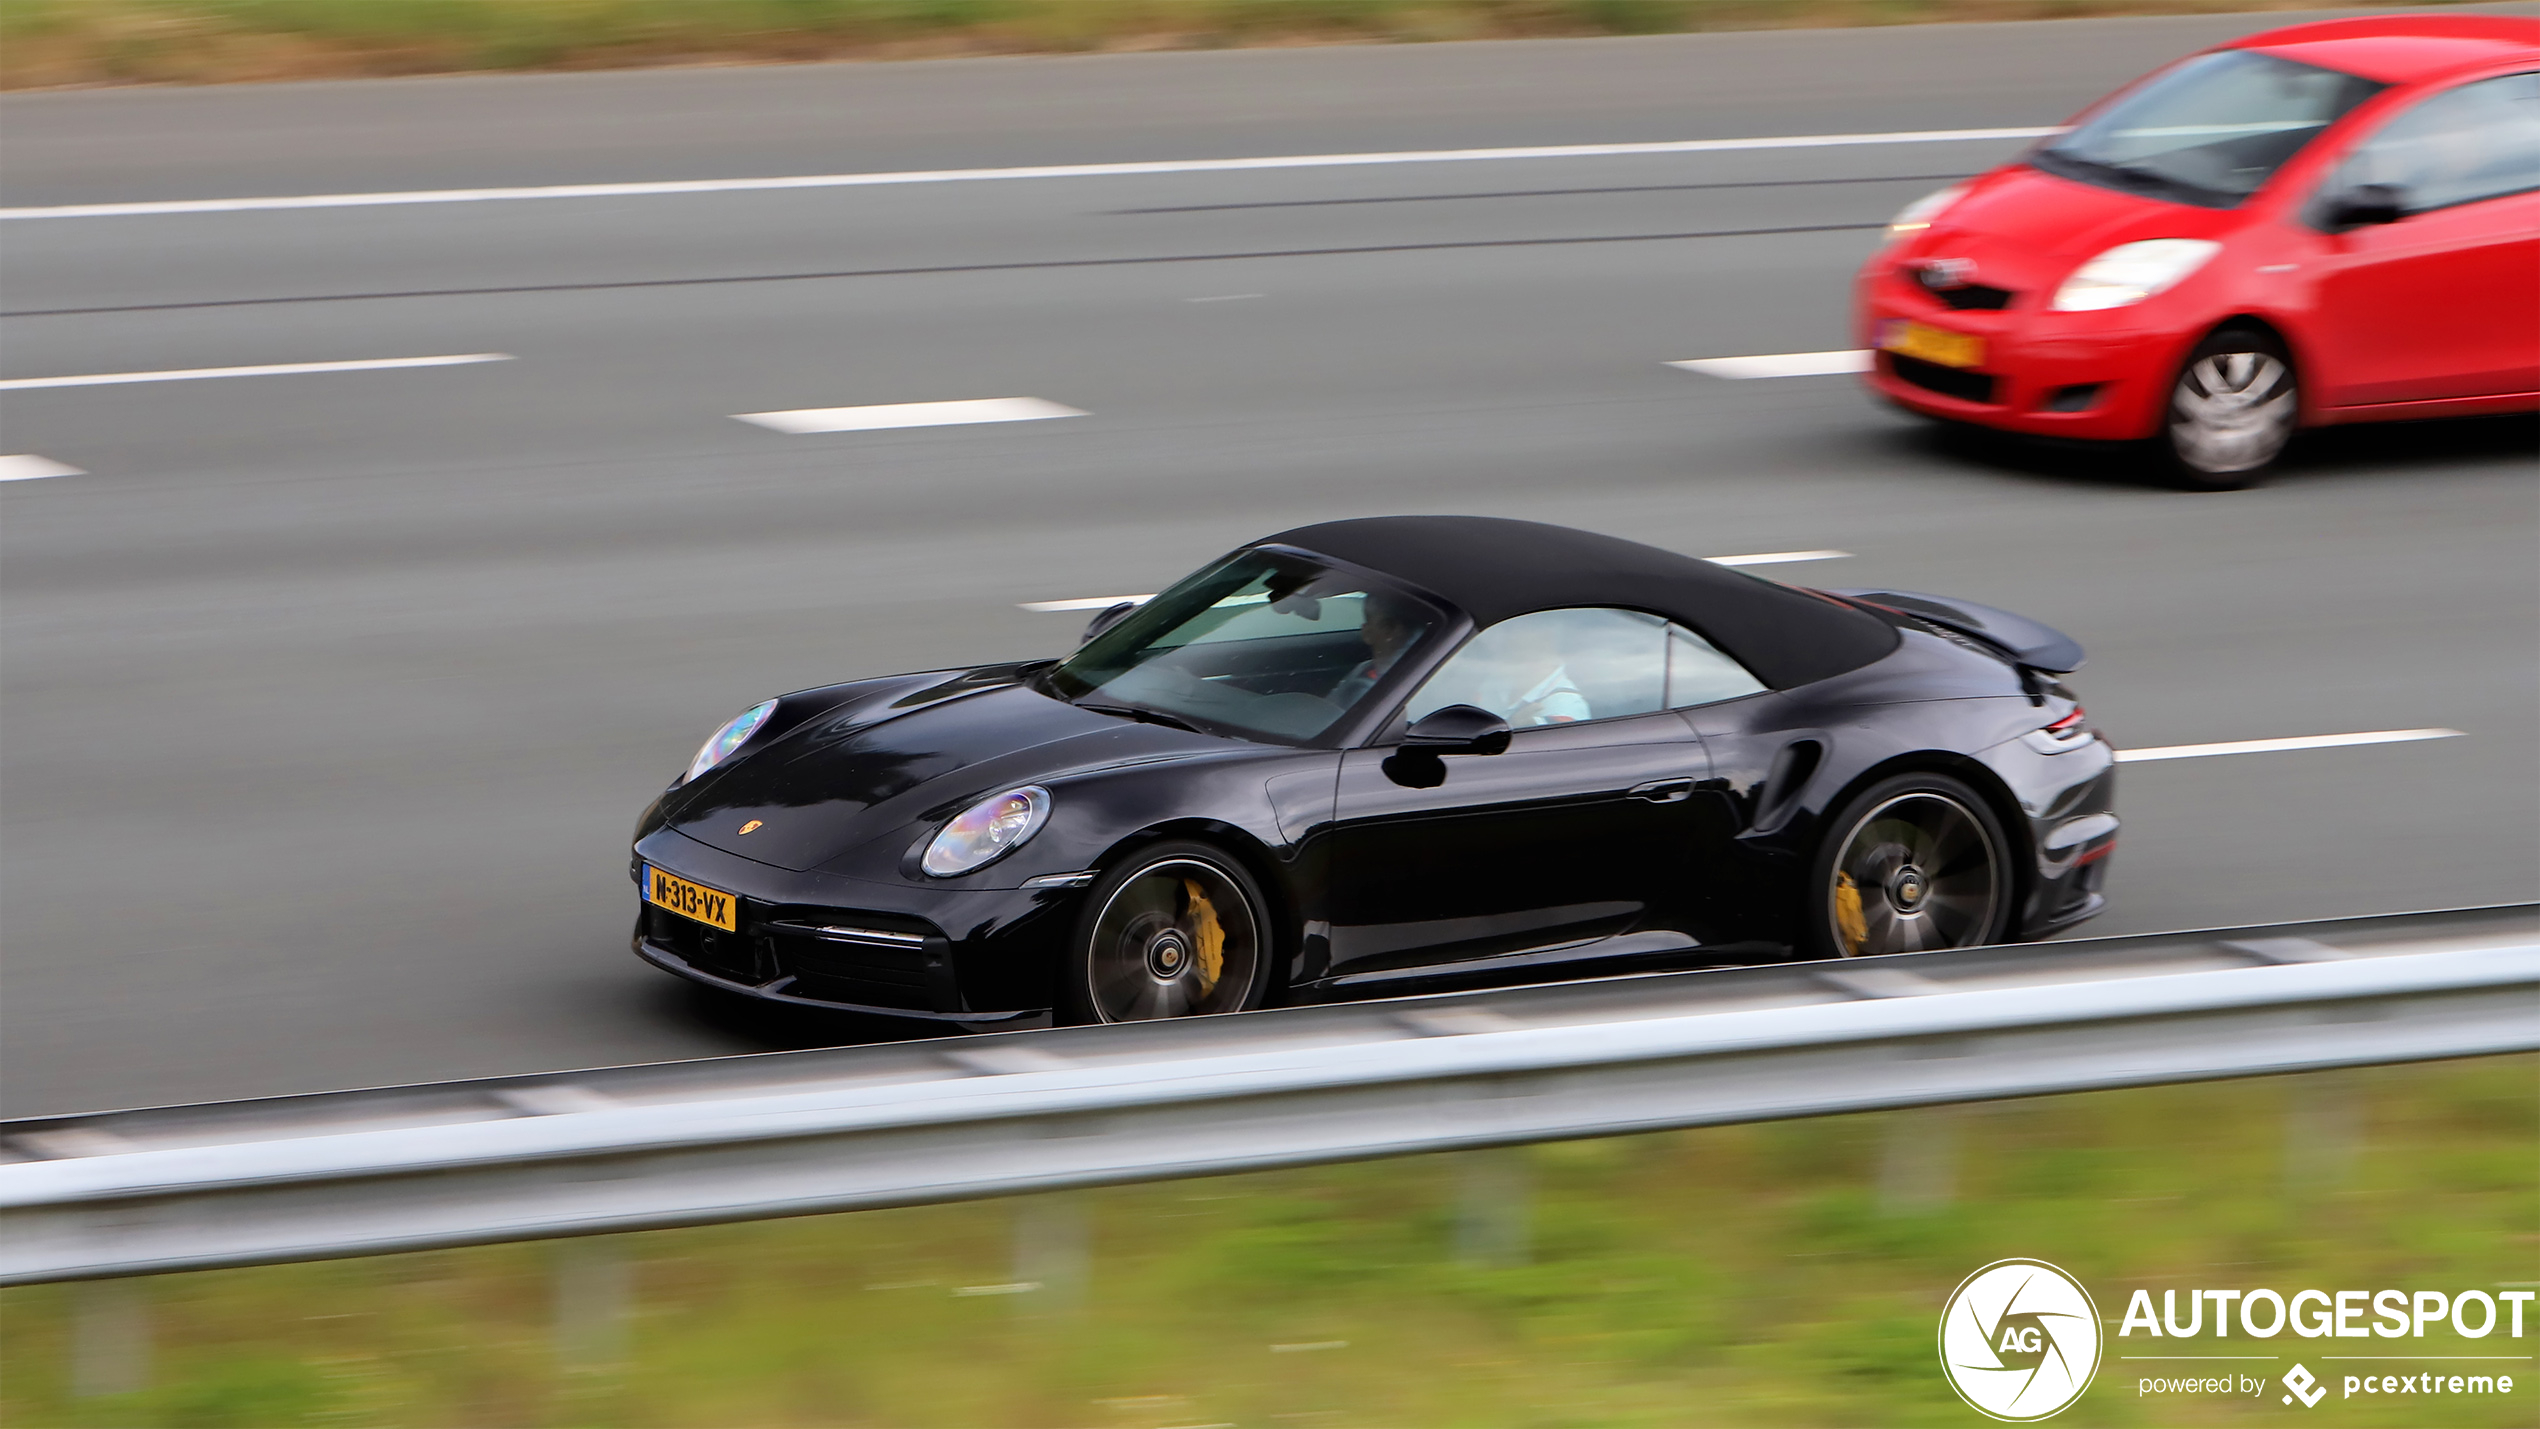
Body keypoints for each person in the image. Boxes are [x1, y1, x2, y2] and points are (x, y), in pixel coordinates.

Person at [1328, 595, 1419, 711]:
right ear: (1367, 633)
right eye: (1388, 626)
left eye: (1411, 625)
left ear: (1367, 633)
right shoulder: (1365, 669)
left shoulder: (1420, 681)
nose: (1400, 632)